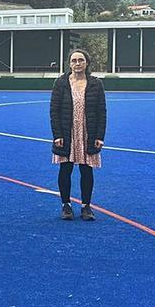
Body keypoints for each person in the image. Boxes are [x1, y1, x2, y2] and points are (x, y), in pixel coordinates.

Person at [50, 48, 106, 220]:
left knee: (86, 170)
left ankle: (86, 206)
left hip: (87, 133)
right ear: (69, 63)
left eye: (80, 60)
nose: (77, 63)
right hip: (67, 132)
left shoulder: (96, 84)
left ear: (87, 63)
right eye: (74, 60)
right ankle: (66, 205)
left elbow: (101, 112)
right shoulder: (61, 83)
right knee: (65, 169)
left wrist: (99, 137)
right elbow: (54, 110)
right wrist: (57, 134)